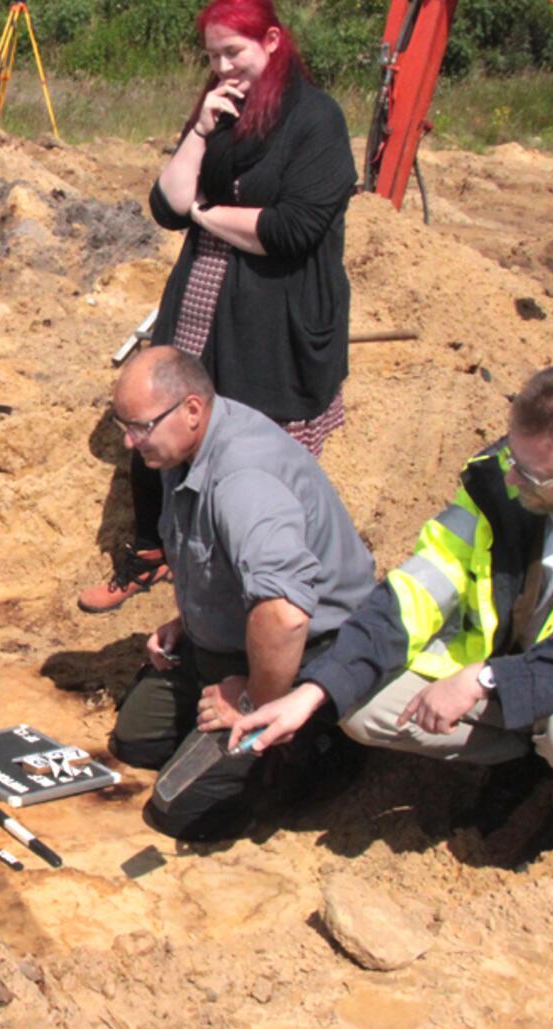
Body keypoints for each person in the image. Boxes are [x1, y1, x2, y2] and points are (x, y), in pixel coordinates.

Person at [215, 363, 553, 857]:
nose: (512, 481)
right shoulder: (502, 474)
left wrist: (489, 680)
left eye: (534, 476)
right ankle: (519, 763)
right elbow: (416, 590)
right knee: (363, 705)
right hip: (515, 675)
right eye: (512, 457)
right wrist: (313, 692)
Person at [78, 0, 356, 614]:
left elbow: (289, 230)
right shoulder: (221, 111)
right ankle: (152, 553)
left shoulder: (317, 119)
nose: (224, 66)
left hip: (274, 313)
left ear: (273, 42)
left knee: (252, 441)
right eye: (213, 56)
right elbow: (165, 204)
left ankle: (248, 581)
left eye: (235, 52)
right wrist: (202, 132)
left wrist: (204, 215)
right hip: (202, 293)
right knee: (158, 420)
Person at [105, 346, 376, 840]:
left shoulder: (244, 479)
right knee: (135, 739)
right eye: (123, 424)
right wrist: (189, 621)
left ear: (191, 409)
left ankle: (313, 746)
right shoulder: (182, 447)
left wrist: (252, 701)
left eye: (139, 426)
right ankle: (220, 729)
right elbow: (215, 557)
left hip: (302, 653)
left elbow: (286, 616)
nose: (128, 441)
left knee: (180, 811)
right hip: (227, 643)